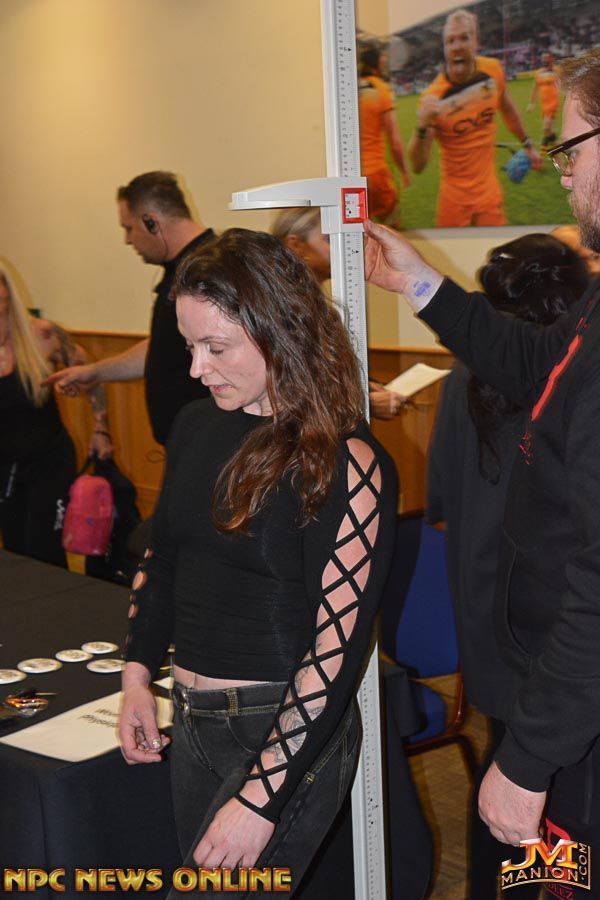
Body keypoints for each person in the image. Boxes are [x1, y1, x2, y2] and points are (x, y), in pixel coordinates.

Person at [364, 44, 600, 890]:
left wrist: (529, 758)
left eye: (571, 149)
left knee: (553, 879)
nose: (562, 174)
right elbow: (540, 363)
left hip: (575, 716)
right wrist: (422, 286)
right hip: (560, 693)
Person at [118, 229, 397, 897]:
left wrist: (262, 795)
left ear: (280, 333)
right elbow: (163, 559)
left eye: (216, 348)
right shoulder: (195, 425)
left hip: (281, 728)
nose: (197, 369)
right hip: (193, 718)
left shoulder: (345, 462)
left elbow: (336, 648)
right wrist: (136, 673)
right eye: (190, 347)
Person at [426, 234, 588, 898]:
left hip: (485, 615)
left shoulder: (463, 379)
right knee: (552, 788)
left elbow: (441, 504)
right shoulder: (567, 382)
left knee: (502, 768)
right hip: (552, 626)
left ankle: (496, 888)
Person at [46, 171, 215, 446]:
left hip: (208, 443)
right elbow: (165, 344)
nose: (127, 240)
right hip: (184, 443)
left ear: (151, 221)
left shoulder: (209, 268)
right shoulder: (180, 269)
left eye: (128, 228)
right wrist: (96, 371)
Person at [0, 268, 112, 567]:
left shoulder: (42, 334)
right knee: (14, 551)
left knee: (43, 551)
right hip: (6, 468)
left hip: (48, 461)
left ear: (7, 291)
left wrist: (100, 429)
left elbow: (90, 375)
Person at [271, 206, 408, 420]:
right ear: (296, 245)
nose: (345, 249)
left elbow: (320, 374)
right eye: (330, 240)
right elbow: (286, 387)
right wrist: (366, 404)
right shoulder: (281, 309)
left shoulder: (317, 304)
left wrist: (361, 387)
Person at [408, 9, 540, 227]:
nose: (457, 46)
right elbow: (418, 166)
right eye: (450, 41)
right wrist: (421, 127)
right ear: (445, 48)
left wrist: (527, 145)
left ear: (476, 41)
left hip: (489, 194)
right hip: (454, 200)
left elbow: (507, 109)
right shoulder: (433, 98)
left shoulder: (493, 70)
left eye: (464, 38)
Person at [358, 46, 411, 225]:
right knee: (392, 230)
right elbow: (394, 141)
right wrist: (404, 171)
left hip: (352, 178)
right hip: (376, 174)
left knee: (361, 233)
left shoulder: (348, 91)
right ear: (377, 62)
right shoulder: (381, 89)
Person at [527, 52, 561, 148]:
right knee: (550, 129)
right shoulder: (539, 73)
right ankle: (557, 147)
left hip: (553, 102)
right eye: (543, 58)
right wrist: (532, 103)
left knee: (546, 127)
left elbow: (562, 83)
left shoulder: (556, 71)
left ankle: (543, 151)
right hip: (544, 104)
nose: (544, 60)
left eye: (546, 58)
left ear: (551, 59)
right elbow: (535, 88)